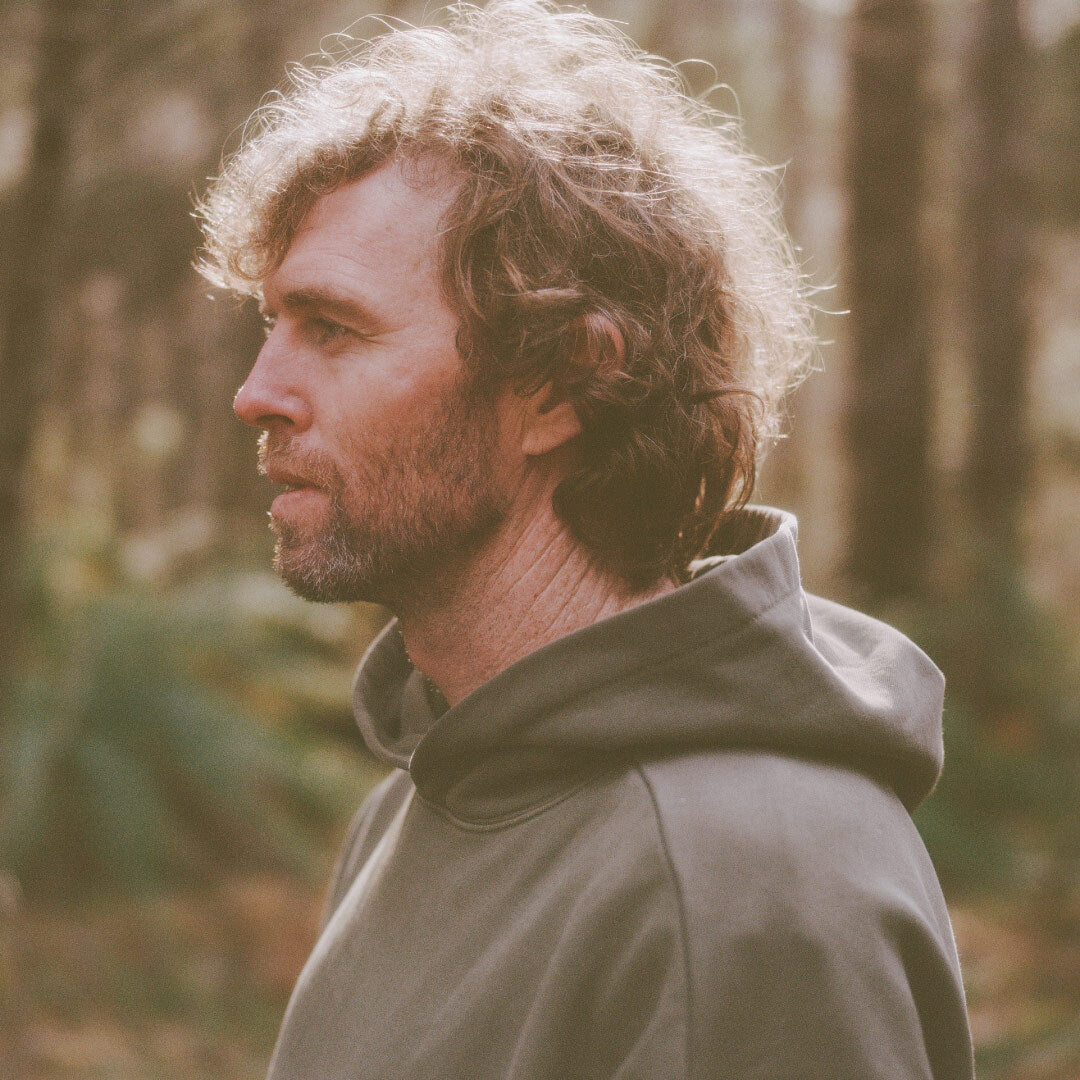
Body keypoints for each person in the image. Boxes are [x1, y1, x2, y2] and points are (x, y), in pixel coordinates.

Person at [198, 2, 975, 1076]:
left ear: (562, 382)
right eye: (272, 323)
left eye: (332, 328)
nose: (257, 393)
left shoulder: (747, 887)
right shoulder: (419, 804)